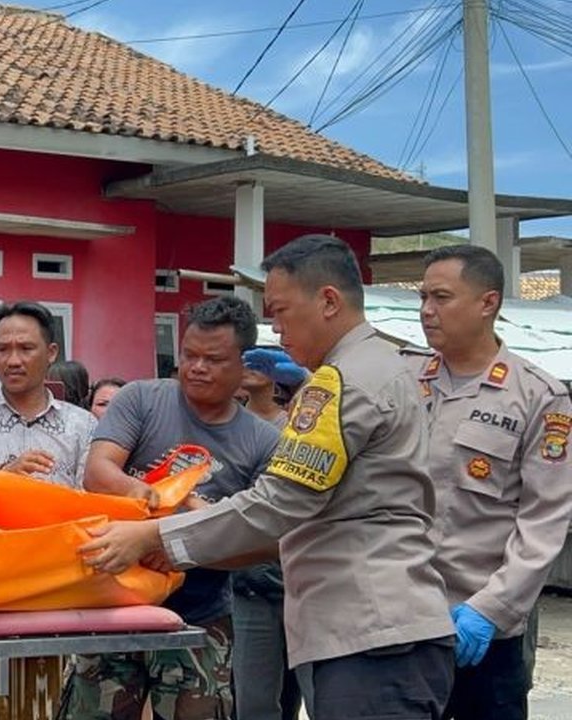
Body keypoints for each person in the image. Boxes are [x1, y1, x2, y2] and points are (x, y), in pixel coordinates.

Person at [81, 234, 455, 719]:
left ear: (327, 301)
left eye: (280, 312)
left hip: (369, 632)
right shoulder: (382, 366)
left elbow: (278, 504)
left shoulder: (342, 382)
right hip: (378, 630)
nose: (276, 331)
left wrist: (153, 534)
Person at [63, 297, 280, 720]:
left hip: (201, 614)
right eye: (189, 355)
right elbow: (99, 472)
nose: (197, 367)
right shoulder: (141, 398)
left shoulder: (263, 440)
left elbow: (263, 541)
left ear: (243, 365)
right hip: (114, 602)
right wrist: (170, 507)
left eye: (213, 359)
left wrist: (183, 544)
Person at [405, 245, 572, 720]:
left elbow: (544, 520)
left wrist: (491, 609)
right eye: (422, 297)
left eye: (441, 297)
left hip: (481, 632)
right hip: (402, 620)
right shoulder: (403, 378)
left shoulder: (537, 395)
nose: (426, 311)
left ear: (487, 303)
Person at [0, 301, 96, 488]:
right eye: (3, 349)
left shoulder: (83, 426)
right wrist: (3, 478)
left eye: (26, 349)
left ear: (51, 352)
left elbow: (92, 500)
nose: (13, 361)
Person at [230, 347, 307, 720]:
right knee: (254, 700)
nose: (251, 369)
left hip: (299, 577)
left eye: (260, 362)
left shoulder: (296, 421)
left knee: (299, 691)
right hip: (249, 580)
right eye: (243, 362)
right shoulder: (232, 426)